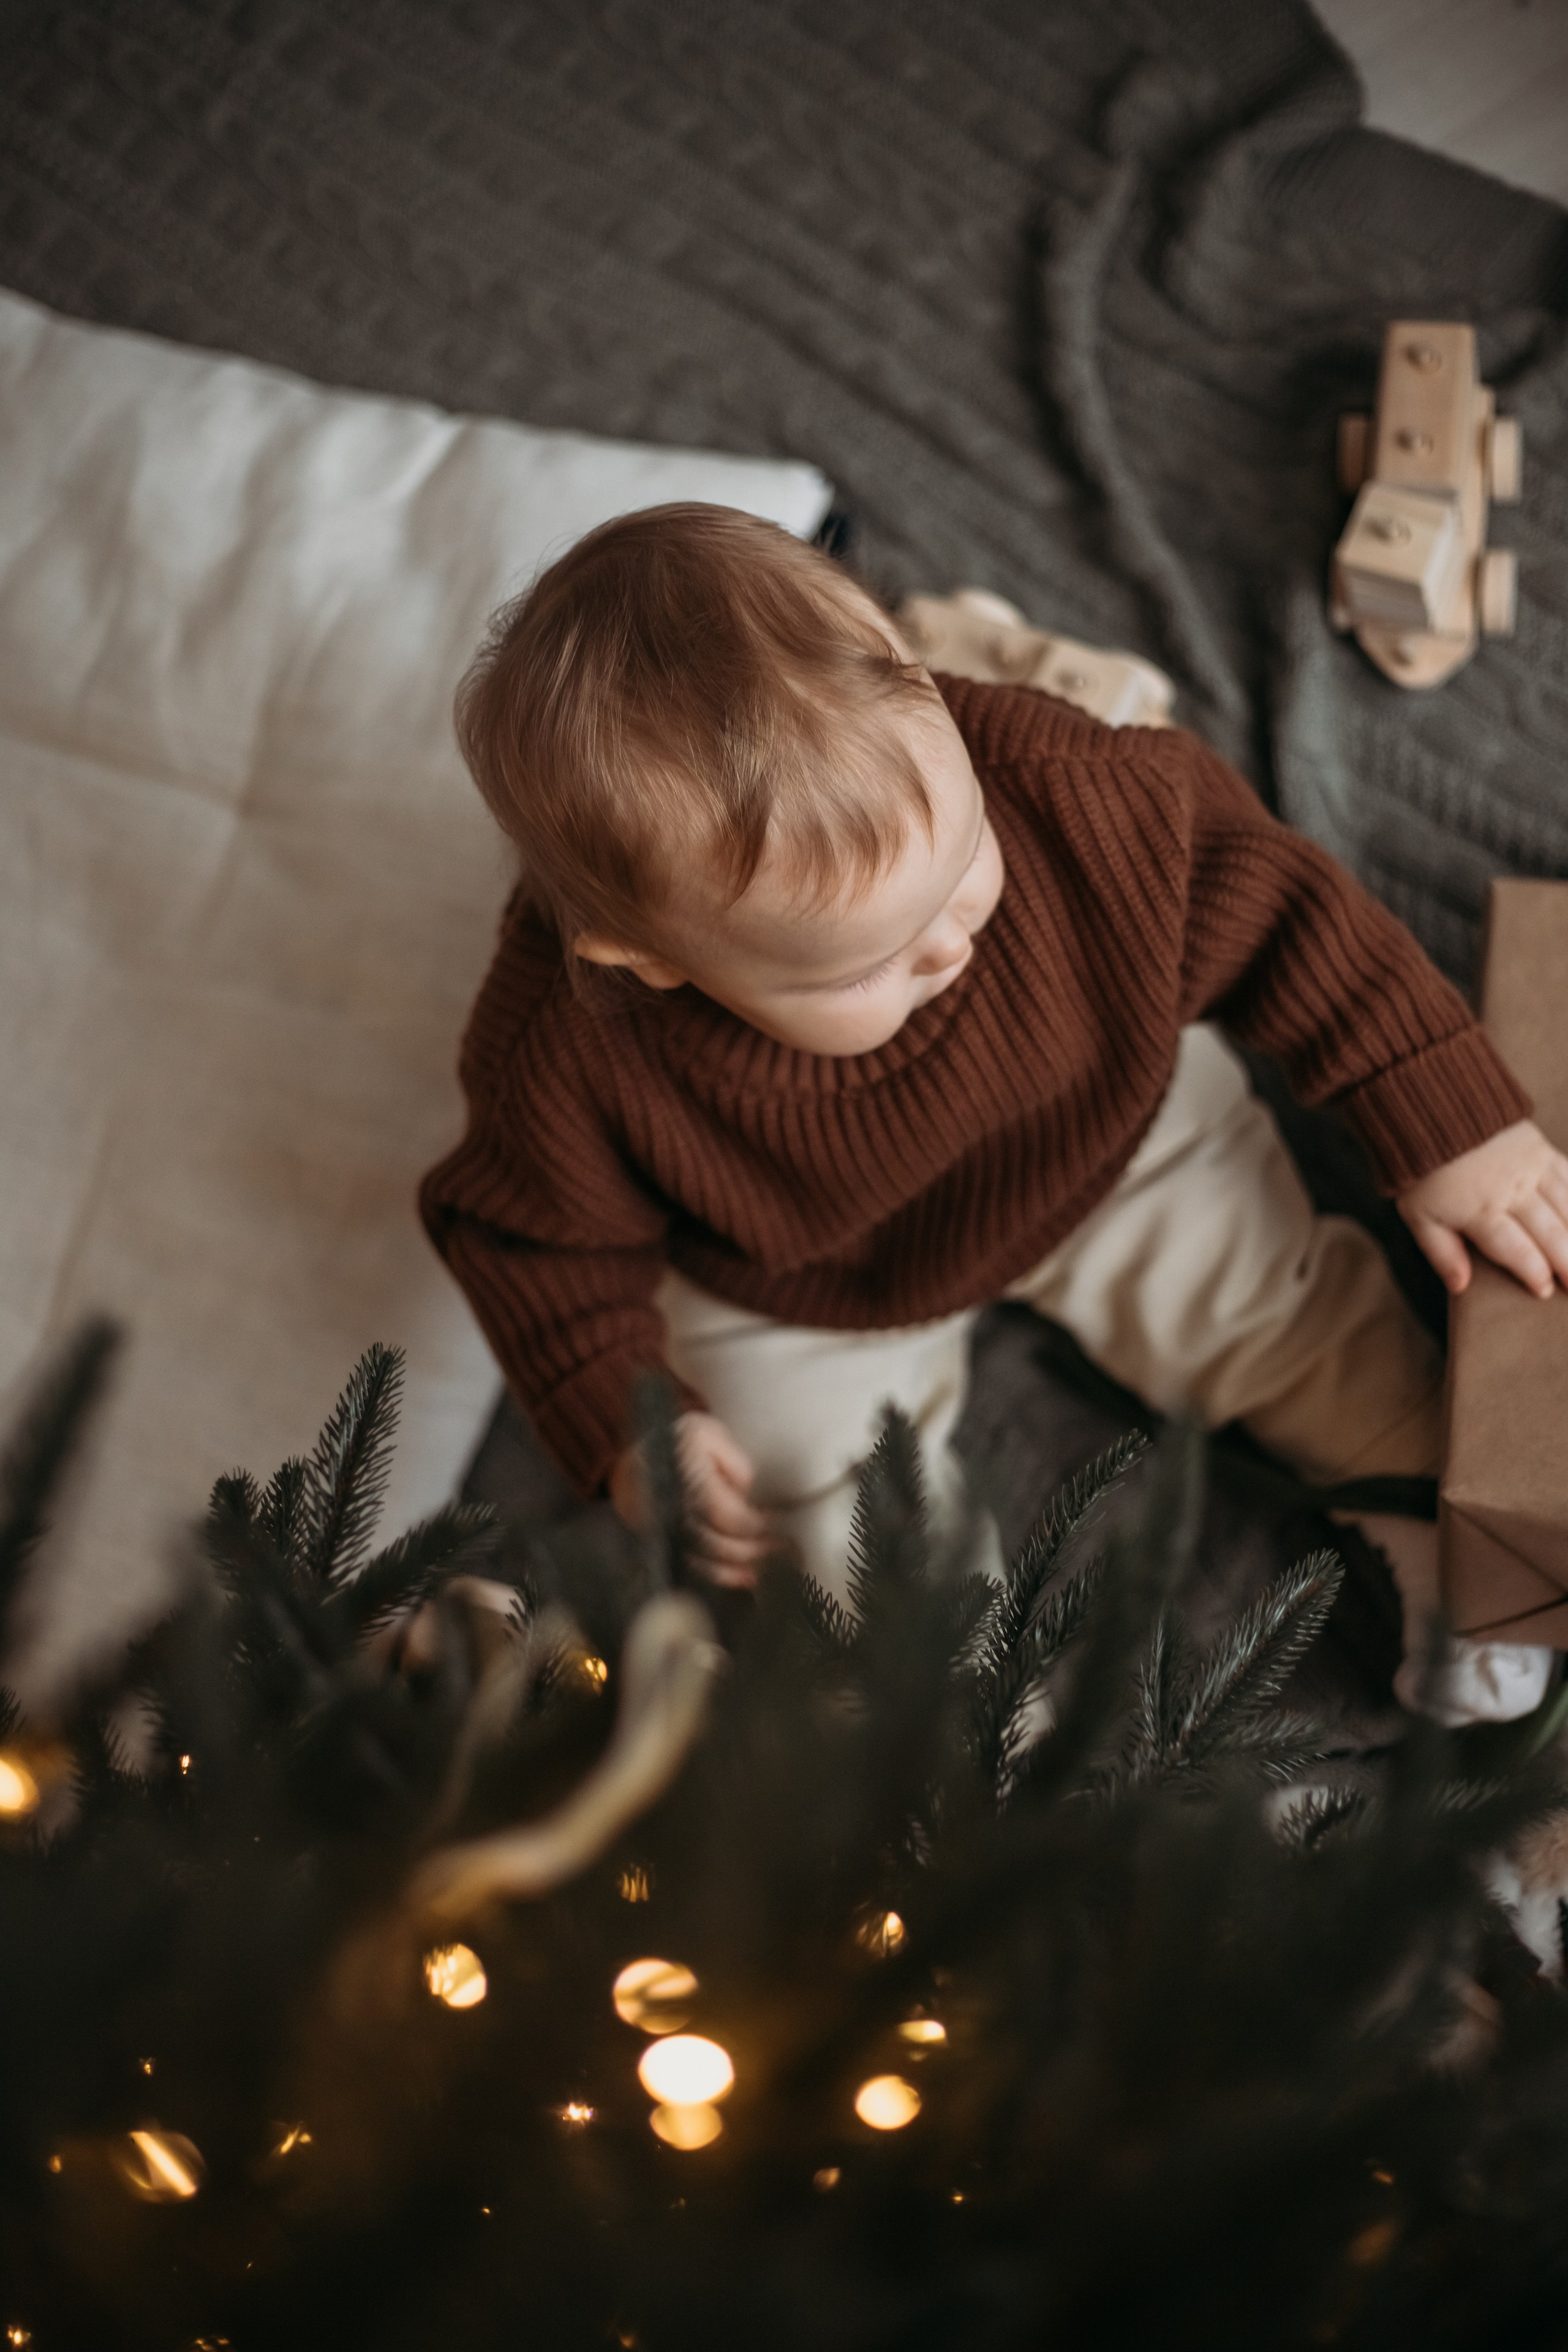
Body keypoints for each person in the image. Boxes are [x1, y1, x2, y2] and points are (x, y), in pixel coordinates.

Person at [420, 505, 1568, 1726]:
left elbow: (1289, 914)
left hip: (1101, 1130)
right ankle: (959, 1724)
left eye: (961, 859)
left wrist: (1445, 1119)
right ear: (647, 959)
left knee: (1282, 1305)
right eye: (867, 962)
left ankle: (1415, 1513)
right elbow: (529, 1241)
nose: (952, 943)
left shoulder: (1072, 789)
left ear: (918, 673)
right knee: (820, 1507)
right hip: (801, 1282)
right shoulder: (567, 1039)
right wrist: (621, 1424)